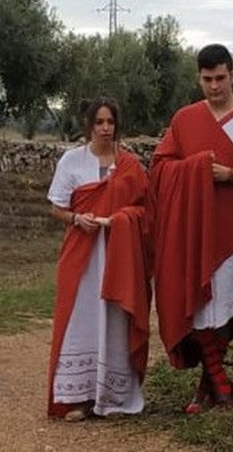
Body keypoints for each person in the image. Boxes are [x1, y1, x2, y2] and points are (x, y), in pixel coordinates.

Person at [150, 43, 233, 414]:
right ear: (199, 78)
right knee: (201, 308)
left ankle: (210, 385)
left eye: (220, 78)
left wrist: (229, 175)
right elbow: (160, 168)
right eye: (207, 79)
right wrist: (191, 168)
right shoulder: (185, 119)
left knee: (226, 307)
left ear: (232, 75)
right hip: (195, 232)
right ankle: (220, 386)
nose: (214, 87)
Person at [47, 98, 153, 421]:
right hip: (83, 253)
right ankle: (77, 399)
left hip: (120, 256)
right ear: (89, 125)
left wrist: (121, 219)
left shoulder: (130, 165)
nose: (106, 128)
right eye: (99, 123)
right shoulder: (71, 162)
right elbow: (56, 207)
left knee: (115, 318)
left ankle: (114, 397)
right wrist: (77, 219)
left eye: (110, 122)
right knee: (82, 317)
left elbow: (146, 211)